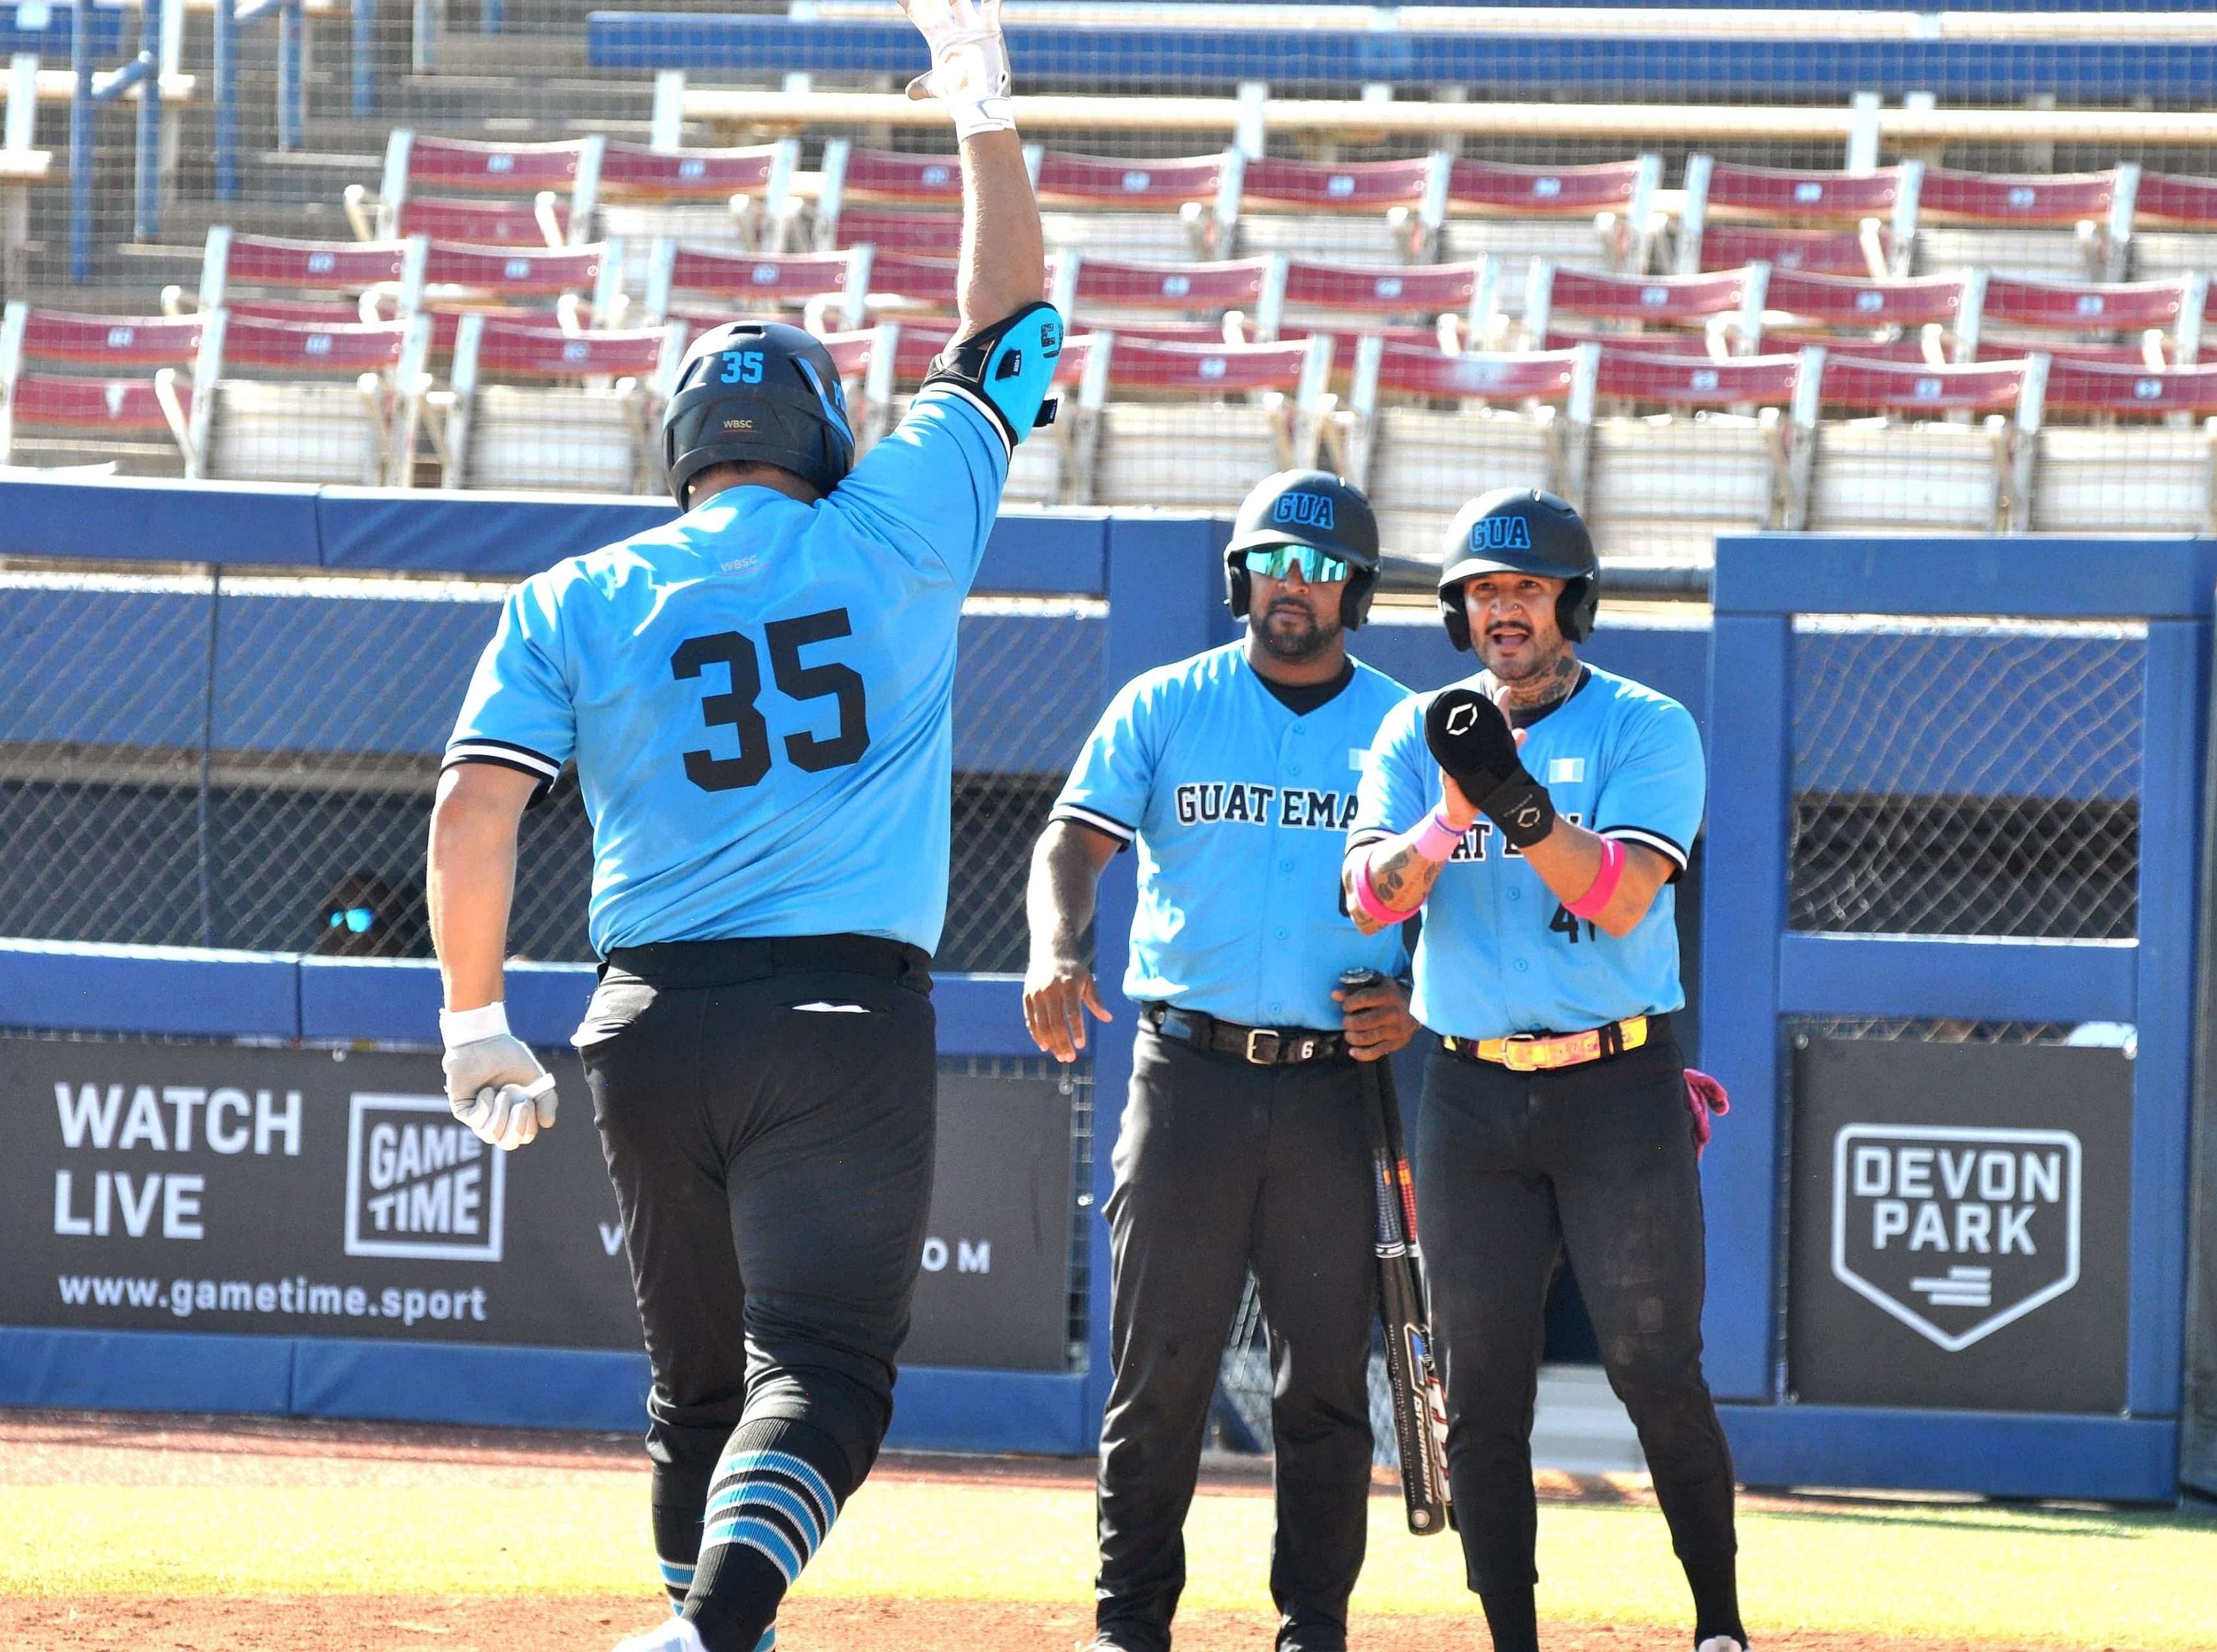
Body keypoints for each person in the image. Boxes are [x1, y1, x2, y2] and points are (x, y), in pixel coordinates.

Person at [422, 5, 1057, 1649]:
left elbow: (475, 802)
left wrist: (473, 1020)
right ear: (820, 437)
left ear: (684, 448)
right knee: (824, 1379)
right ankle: (711, 1637)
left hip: (644, 1018)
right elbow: (1014, 337)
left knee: (693, 1386)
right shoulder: (898, 523)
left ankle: (703, 1632)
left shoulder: (576, 591)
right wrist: (980, 109)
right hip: (839, 1011)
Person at [1340, 488, 1748, 1652]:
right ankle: (1512, 1638)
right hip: (1468, 1091)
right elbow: (1367, 895)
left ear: (1572, 601)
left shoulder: (1648, 725)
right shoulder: (1413, 732)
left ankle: (1718, 1622)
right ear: (1459, 612)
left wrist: (1512, 804)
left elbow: (1620, 898)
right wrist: (1445, 816)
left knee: (1654, 1360)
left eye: (1524, 588)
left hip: (1617, 1086)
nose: (1502, 608)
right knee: (1481, 1391)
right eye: (1481, 591)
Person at [1023, 469, 1421, 1652]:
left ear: (1355, 588)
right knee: (1158, 1378)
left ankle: (1314, 1627)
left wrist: (1419, 999)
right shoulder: (1167, 701)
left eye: (1318, 565)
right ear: (1242, 575)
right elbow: (1070, 843)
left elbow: (1464, 902)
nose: (1293, 584)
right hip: (1185, 1075)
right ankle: (1128, 1625)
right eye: (1273, 561)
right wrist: (1056, 946)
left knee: (1326, 1389)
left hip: (1333, 1087)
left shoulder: (1405, 724)